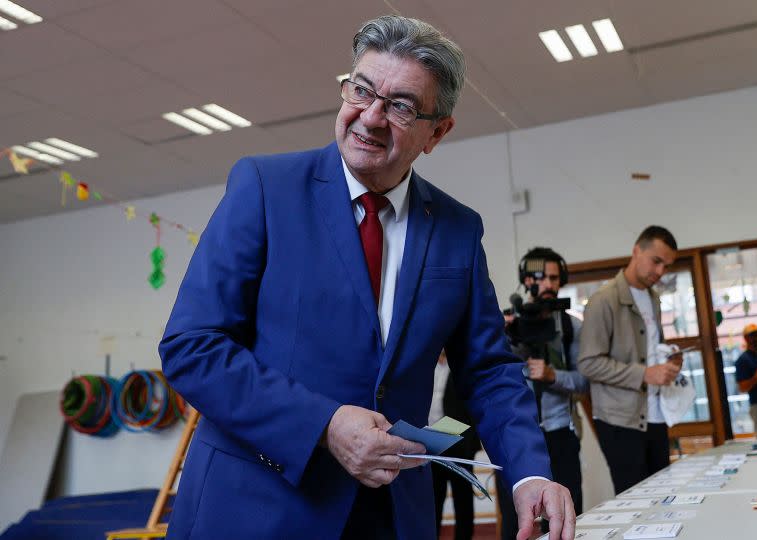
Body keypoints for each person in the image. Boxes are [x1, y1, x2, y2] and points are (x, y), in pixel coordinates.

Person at [158, 15, 574, 540]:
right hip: (257, 509)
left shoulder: (457, 230)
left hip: (392, 516)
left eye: (401, 106)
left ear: (437, 132)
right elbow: (192, 346)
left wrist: (529, 473)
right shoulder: (265, 188)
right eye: (361, 90)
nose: (371, 117)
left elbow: (489, 370)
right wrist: (325, 425)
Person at [579, 226, 681, 494]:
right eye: (656, 261)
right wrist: (645, 374)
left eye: (666, 266)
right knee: (635, 505)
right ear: (636, 251)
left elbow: (647, 350)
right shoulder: (604, 300)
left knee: (662, 501)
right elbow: (588, 363)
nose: (660, 272)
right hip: (620, 420)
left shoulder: (654, 299)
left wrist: (667, 361)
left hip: (655, 415)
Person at [499, 247, 588, 539]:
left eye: (554, 277)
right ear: (526, 280)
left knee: (565, 519)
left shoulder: (572, 327)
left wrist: (553, 376)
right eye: (541, 278)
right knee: (516, 522)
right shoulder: (507, 325)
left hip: (561, 432)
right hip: (519, 436)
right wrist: (502, 338)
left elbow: (585, 382)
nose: (549, 285)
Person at [430, 352, 480, 540]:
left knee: (463, 501)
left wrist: (471, 442)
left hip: (460, 445)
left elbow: (474, 405)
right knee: (434, 502)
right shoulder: (424, 363)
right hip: (430, 445)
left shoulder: (463, 365)